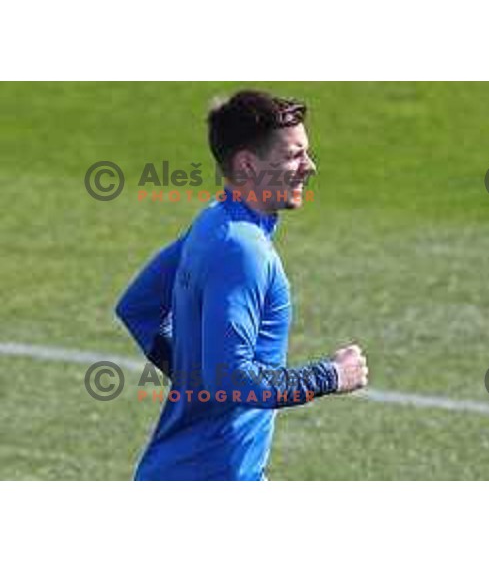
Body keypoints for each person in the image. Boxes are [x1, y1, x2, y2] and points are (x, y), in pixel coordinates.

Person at [116, 90, 368, 480]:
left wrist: (193, 378)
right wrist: (331, 376)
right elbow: (234, 380)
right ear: (248, 165)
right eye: (293, 155)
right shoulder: (243, 250)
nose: (310, 167)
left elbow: (139, 309)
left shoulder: (212, 222)